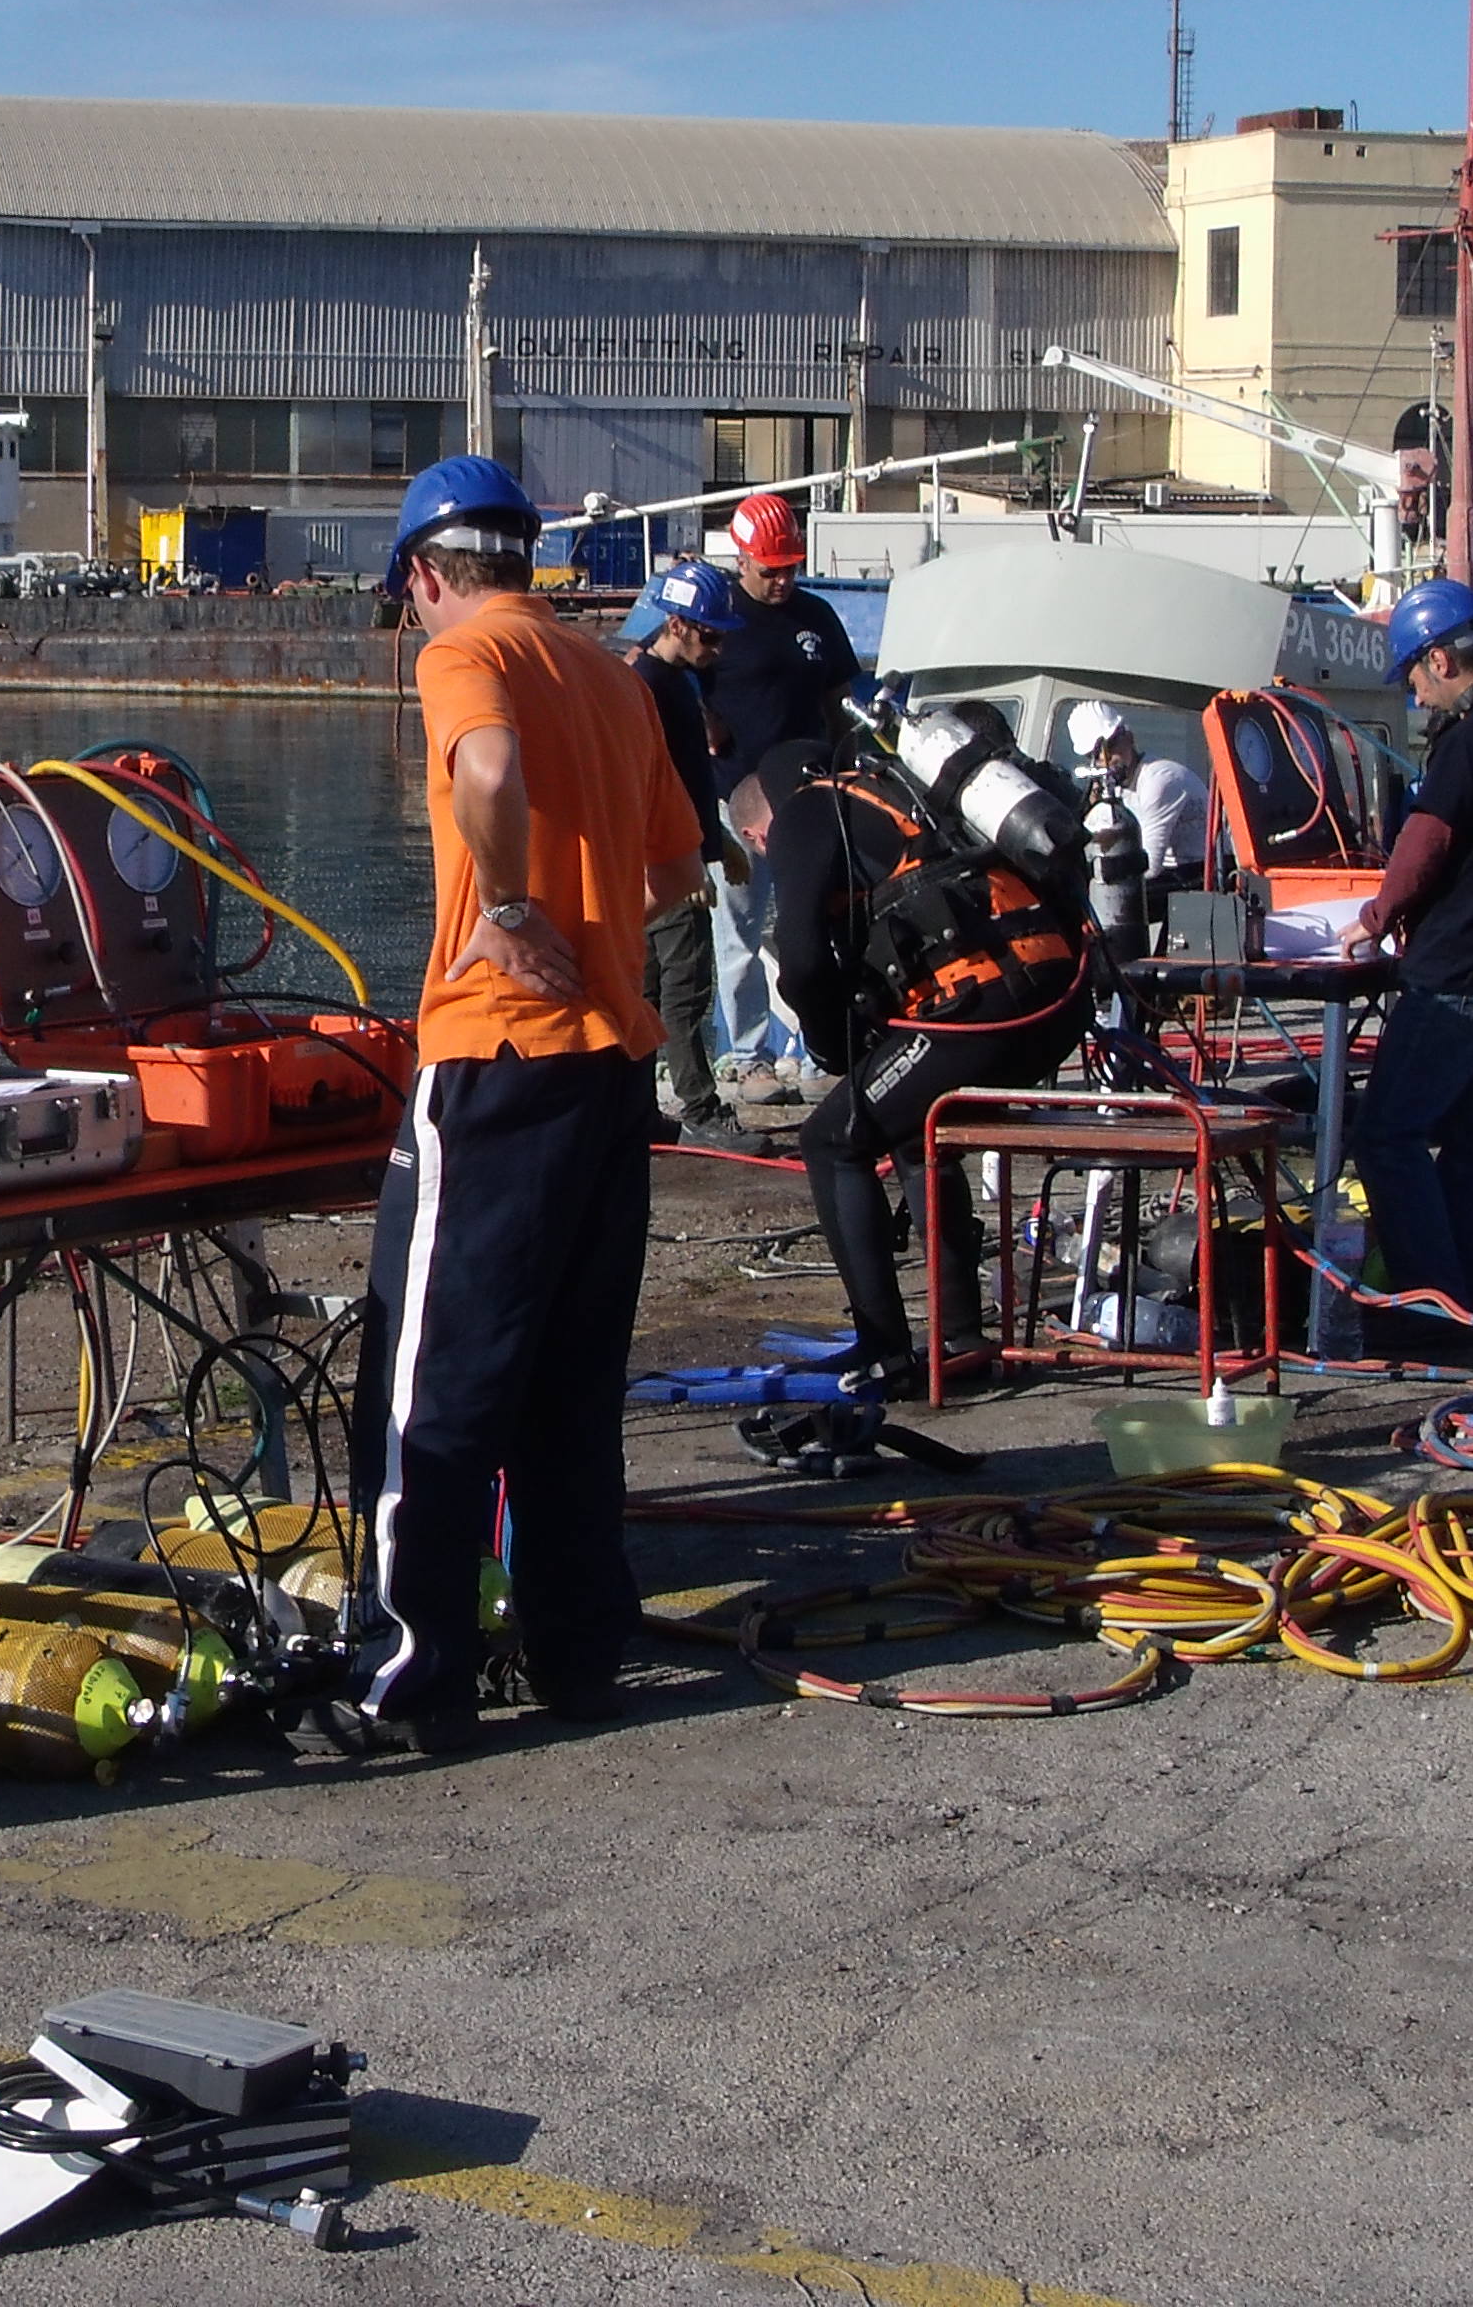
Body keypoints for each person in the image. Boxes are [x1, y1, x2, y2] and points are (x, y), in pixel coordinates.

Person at [350, 456, 705, 1750]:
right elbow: (677, 872)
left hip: (496, 1054)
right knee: (569, 1386)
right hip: (609, 1065)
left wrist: (508, 906)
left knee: (431, 1385)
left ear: (424, 577)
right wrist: (588, 927)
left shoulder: (467, 652)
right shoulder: (613, 675)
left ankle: (410, 1678)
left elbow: (489, 770)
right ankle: (578, 1652)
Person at [742, 727, 1089, 1385]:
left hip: (986, 1007)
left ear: (758, 831)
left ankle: (884, 1351)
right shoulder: (896, 794)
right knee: (909, 1132)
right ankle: (959, 1335)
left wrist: (829, 1043)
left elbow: (804, 963)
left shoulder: (805, 813)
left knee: (831, 1139)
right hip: (1057, 1001)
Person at [1341, 580, 1473, 1328]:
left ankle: (1434, 1307)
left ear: (1439, 658)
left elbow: (1427, 840)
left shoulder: (1472, 741)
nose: (1415, 694)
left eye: (1413, 675)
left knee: (1386, 1137)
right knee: (1467, 1141)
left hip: (1453, 970)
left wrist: (1376, 916)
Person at [702, 491, 862, 1098]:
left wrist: (851, 768)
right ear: (741, 559)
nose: (781, 581)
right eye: (770, 571)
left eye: (790, 569)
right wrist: (703, 720)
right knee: (737, 932)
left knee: (825, 921)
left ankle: (827, 1049)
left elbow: (839, 700)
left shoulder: (815, 615)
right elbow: (664, 673)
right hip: (737, 801)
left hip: (810, 800)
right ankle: (748, 1056)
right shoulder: (718, 616)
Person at [627, 559, 754, 1150]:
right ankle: (700, 1107)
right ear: (676, 624)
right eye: (710, 635)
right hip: (666, 864)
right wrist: (687, 861)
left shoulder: (672, 681)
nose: (717, 648)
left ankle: (636, 1108)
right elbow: (651, 782)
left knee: (648, 990)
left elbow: (689, 774)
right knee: (684, 990)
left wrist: (717, 841)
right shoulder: (649, 687)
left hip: (669, 857)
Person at [1061, 698, 1210, 882]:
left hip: (1197, 877)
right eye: (1094, 756)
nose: (1105, 760)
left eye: (1110, 746)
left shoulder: (1160, 780)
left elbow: (1150, 867)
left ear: (1129, 738)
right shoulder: (1115, 789)